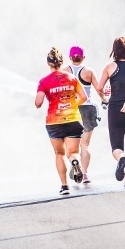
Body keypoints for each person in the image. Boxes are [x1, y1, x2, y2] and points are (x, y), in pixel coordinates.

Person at [35, 47, 88, 195]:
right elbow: (83, 97)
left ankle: (65, 186)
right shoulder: (72, 78)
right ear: (62, 62)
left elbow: (38, 102)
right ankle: (75, 162)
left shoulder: (44, 81)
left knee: (59, 153)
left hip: (54, 121)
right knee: (73, 152)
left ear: (48, 63)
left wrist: (39, 102)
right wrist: (71, 105)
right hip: (73, 119)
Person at [98, 37, 125, 190]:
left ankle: (120, 158)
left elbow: (99, 87)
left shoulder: (109, 67)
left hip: (115, 108)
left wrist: (105, 98)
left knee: (116, 146)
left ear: (114, 51)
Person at [63, 46, 108, 184]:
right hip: (88, 108)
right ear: (83, 57)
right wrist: (104, 100)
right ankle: (85, 174)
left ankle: (74, 162)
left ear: (70, 57)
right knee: (85, 145)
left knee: (71, 145)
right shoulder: (88, 71)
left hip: (72, 109)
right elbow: (99, 89)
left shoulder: (64, 71)